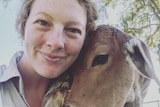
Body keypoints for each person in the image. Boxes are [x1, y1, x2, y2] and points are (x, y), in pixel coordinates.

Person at [0, 0, 98, 107]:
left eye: (72, 30)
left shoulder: (93, 97)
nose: (56, 43)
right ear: (23, 27)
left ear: (85, 40)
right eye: (43, 22)